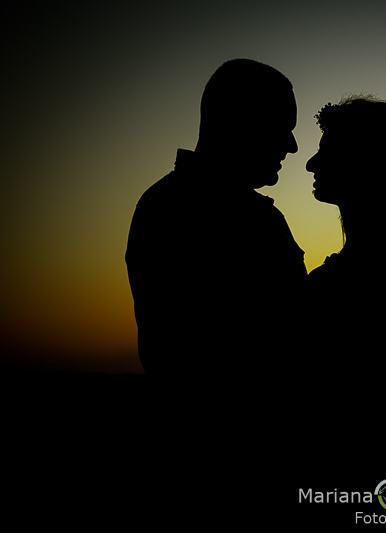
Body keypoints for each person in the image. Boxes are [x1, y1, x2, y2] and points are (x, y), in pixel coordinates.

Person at [124, 60, 306, 505]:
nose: (293, 145)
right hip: (236, 464)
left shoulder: (163, 202)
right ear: (239, 122)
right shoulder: (238, 219)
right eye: (282, 127)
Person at [303, 96, 386, 488]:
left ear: (360, 163)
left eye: (327, 152)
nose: (312, 164)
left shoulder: (369, 272)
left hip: (359, 474)